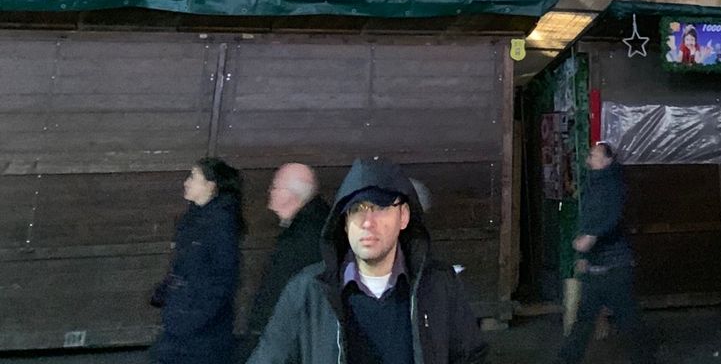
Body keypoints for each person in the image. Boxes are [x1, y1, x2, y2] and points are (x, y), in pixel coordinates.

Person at [247, 156, 486, 364]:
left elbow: (470, 355)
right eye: (356, 209)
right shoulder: (309, 291)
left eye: (380, 207)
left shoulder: (438, 286)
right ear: (344, 220)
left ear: (403, 216)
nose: (367, 222)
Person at [556, 143, 657, 364]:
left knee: (627, 321)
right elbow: (590, 219)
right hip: (597, 267)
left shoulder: (614, 186)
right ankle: (566, 360)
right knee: (585, 319)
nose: (589, 159)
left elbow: (611, 216)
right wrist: (583, 257)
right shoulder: (595, 184)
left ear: (607, 160)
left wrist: (592, 236)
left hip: (615, 267)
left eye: (594, 155)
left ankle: (646, 360)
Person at [152, 157, 244, 364]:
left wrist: (194, 317)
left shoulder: (220, 225)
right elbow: (184, 265)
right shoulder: (194, 219)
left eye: (193, 177)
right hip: (184, 319)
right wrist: (165, 291)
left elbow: (224, 278)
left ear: (210, 186)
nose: (186, 182)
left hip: (201, 332)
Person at [240, 164, 329, 361]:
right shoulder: (313, 228)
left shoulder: (302, 239)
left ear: (291, 195)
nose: (270, 192)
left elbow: (281, 295)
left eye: (275, 187)